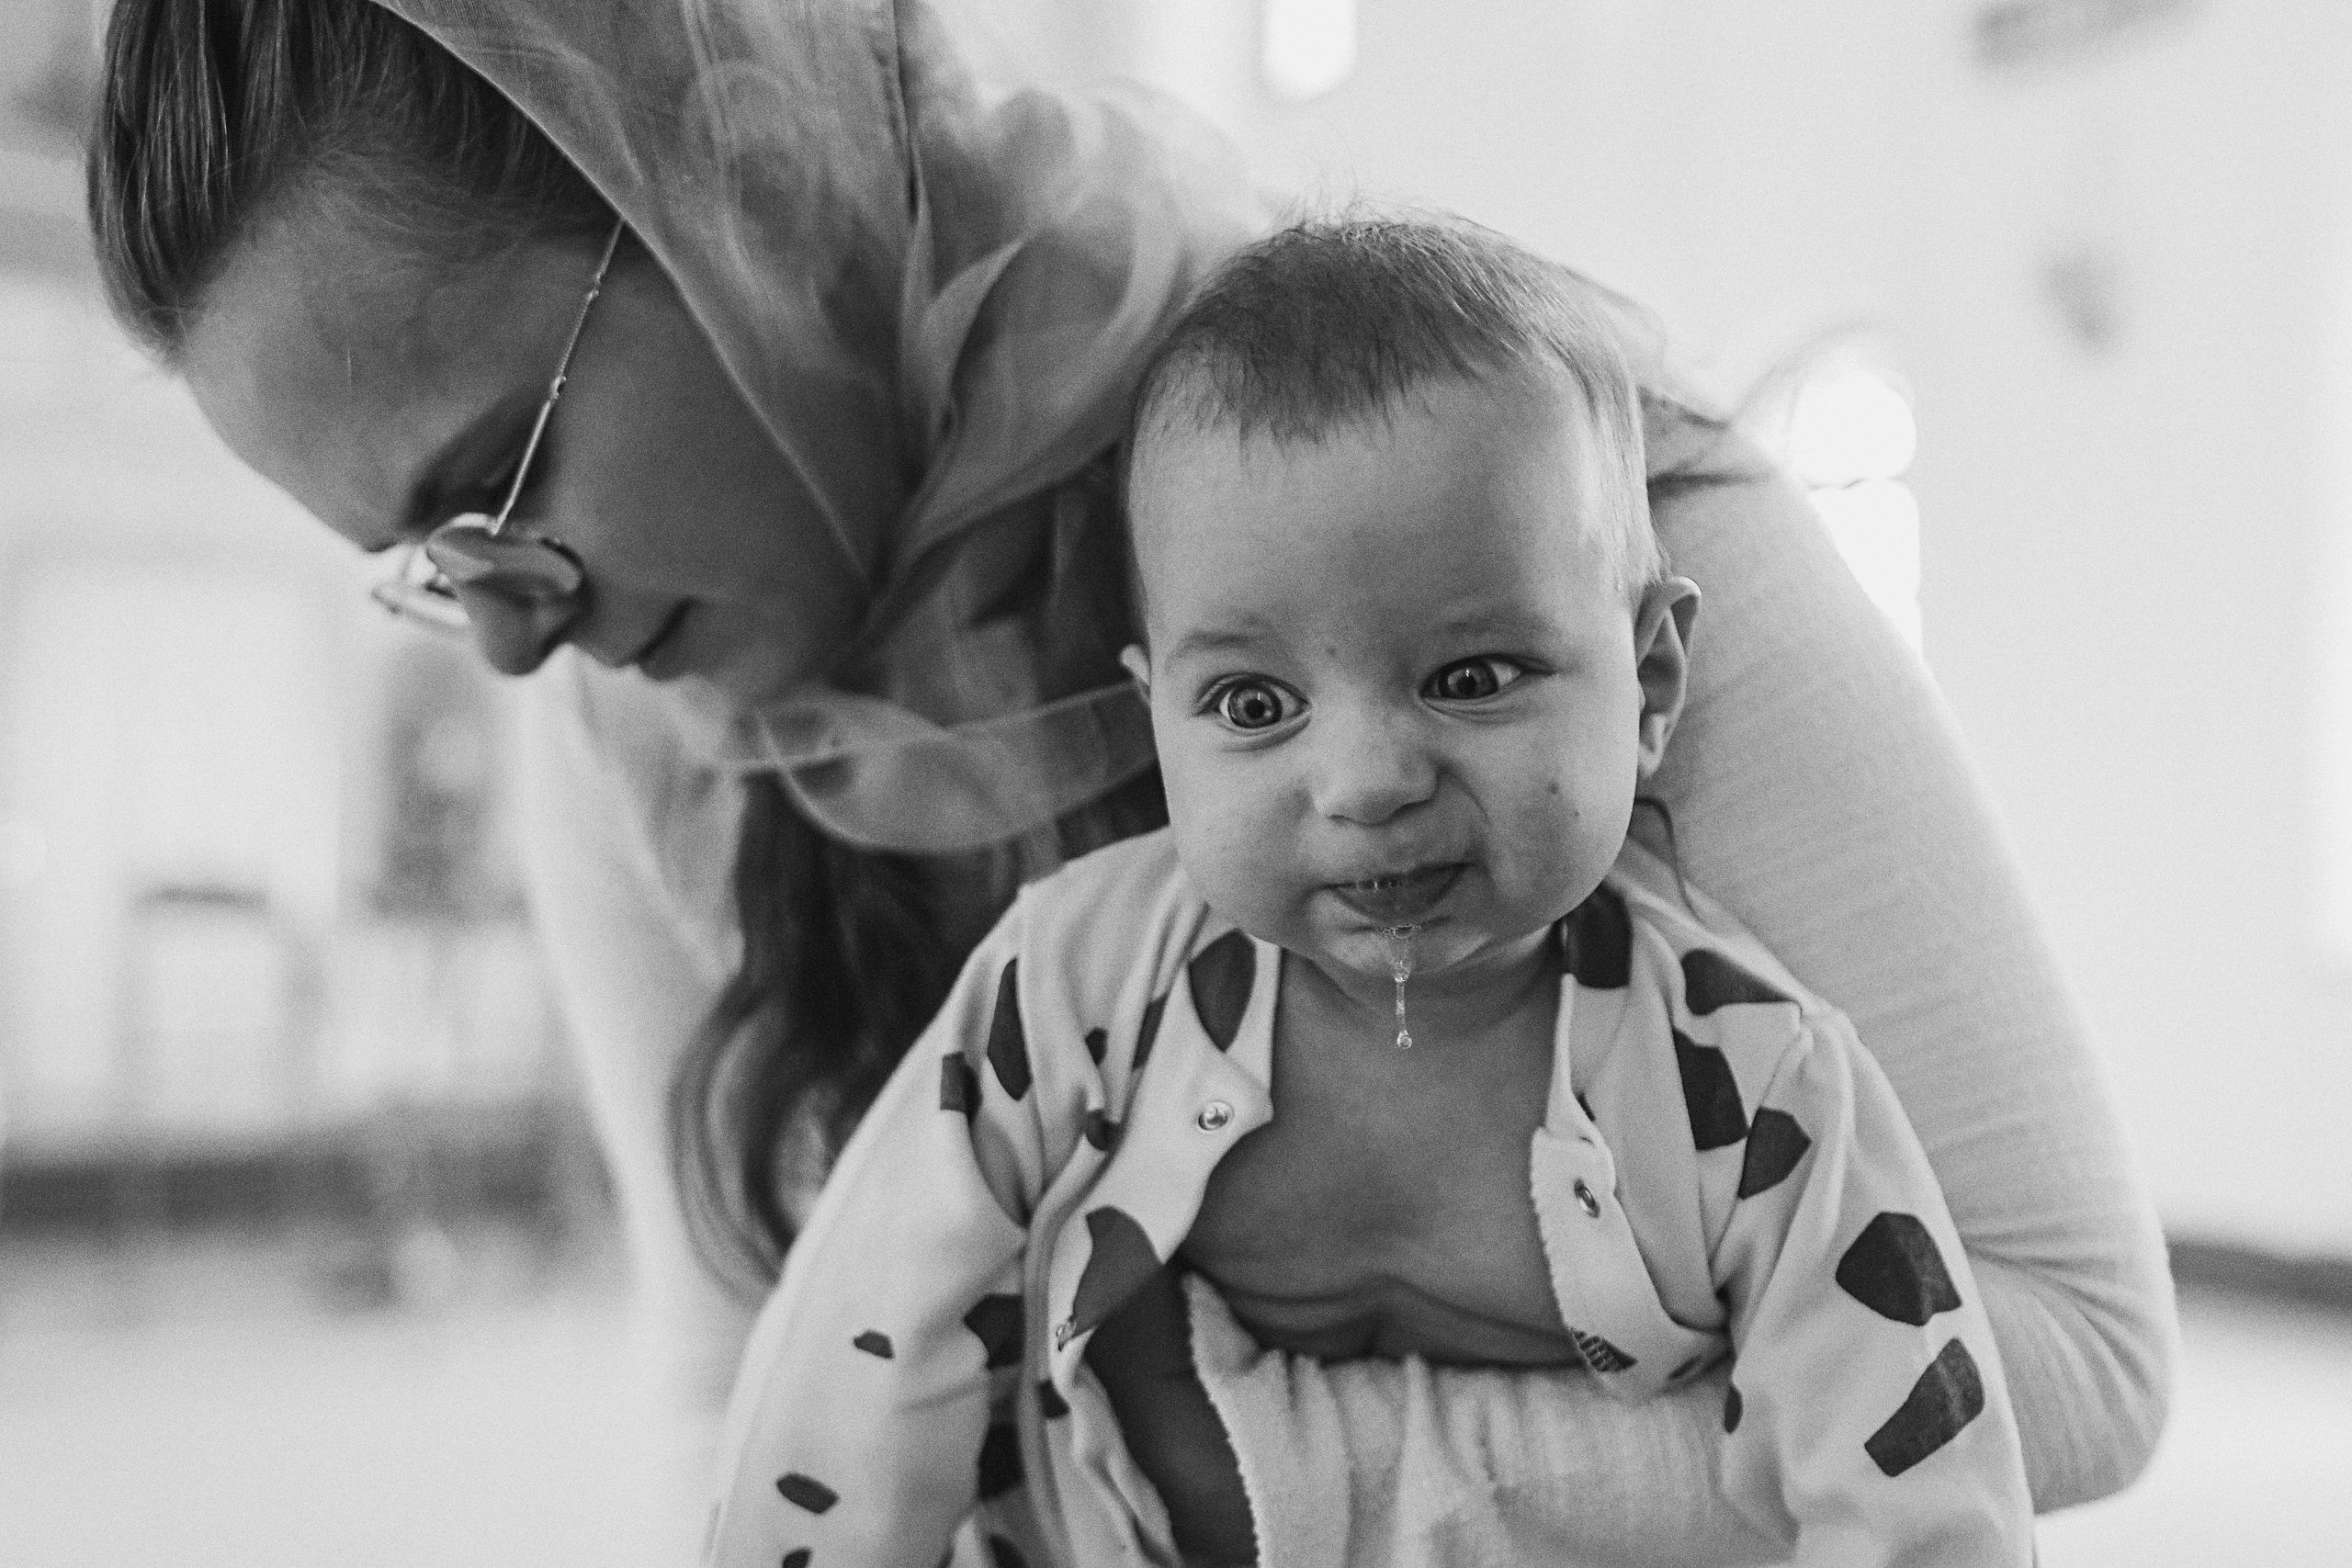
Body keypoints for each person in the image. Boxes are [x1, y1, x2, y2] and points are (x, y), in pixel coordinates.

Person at [88, 1, 2172, 1562]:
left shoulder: (1518, 500)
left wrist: (1241, 1473)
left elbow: (2068, 1347)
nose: (514, 635)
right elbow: (742, 1401)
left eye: (501, 488)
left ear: (730, 176)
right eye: (425, 573)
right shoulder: (636, 731)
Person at [704, 216, 2035, 1568]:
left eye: (1471, 676)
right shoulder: (1066, 999)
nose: (1366, 781)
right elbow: (856, 1369)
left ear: (1650, 683)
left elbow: (1925, 1506)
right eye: (1252, 702)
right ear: (1154, 715)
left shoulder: (1758, 1100)